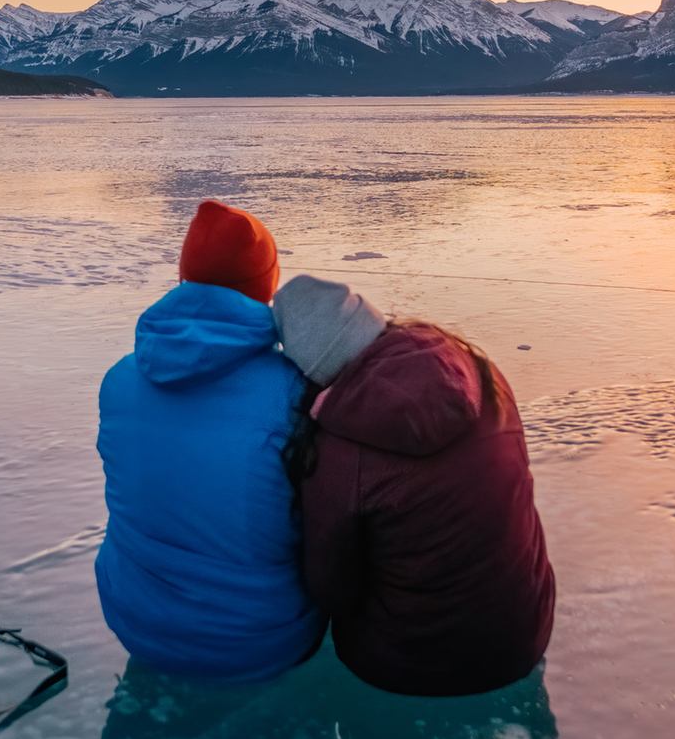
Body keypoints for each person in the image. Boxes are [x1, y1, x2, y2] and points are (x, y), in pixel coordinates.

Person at [276, 274, 554, 697]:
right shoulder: (479, 373)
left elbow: (332, 589)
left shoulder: (341, 453)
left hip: (407, 667)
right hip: (524, 634)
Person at [95, 199, 319, 682]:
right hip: (261, 641)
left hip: (135, 621)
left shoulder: (118, 381)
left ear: (184, 278)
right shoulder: (296, 394)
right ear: (268, 286)